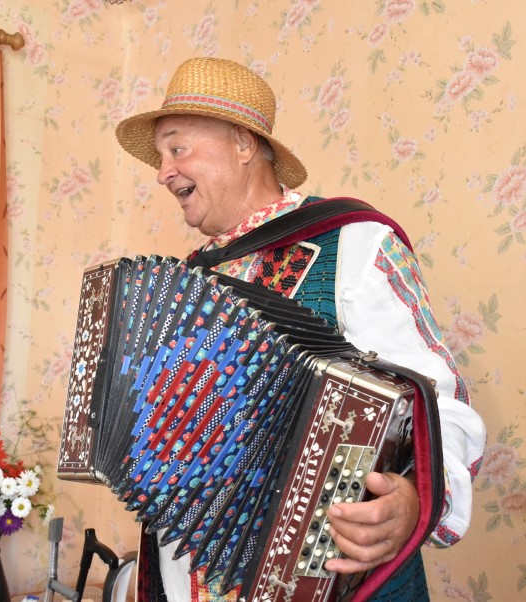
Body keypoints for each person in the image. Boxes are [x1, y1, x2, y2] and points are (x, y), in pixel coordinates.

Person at [114, 57, 487, 601]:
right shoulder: (184, 285)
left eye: (177, 149)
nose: (163, 172)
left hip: (331, 575)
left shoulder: (354, 244)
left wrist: (414, 499)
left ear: (243, 144)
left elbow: (439, 403)